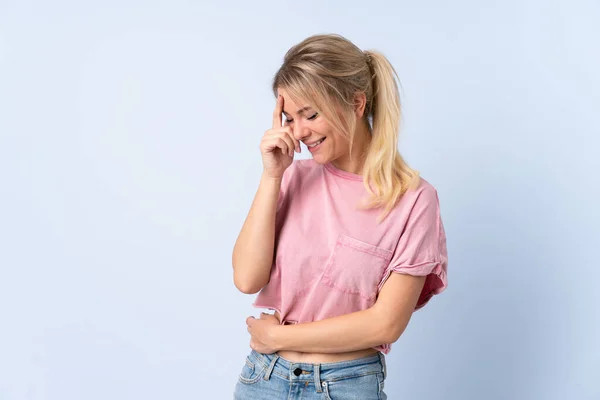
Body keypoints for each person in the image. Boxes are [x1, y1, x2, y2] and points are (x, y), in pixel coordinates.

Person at [231, 33, 448, 400]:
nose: (298, 132)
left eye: (310, 114)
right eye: (289, 118)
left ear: (357, 103)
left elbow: (386, 324)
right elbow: (247, 278)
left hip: (345, 385)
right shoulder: (292, 178)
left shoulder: (413, 201)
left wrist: (279, 336)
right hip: (264, 380)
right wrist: (271, 175)